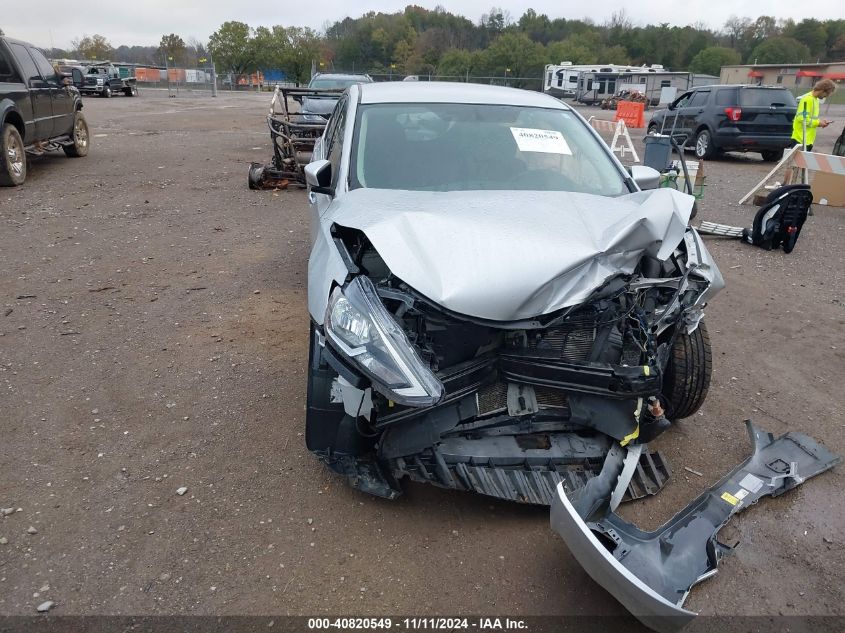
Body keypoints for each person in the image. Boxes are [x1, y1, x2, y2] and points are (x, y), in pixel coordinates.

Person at [791, 79, 836, 151]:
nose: (826, 97)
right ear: (822, 90)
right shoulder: (807, 99)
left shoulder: (815, 100)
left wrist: (820, 122)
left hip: (807, 140)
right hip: (800, 139)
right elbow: (802, 119)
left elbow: (810, 118)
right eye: (826, 94)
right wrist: (818, 123)